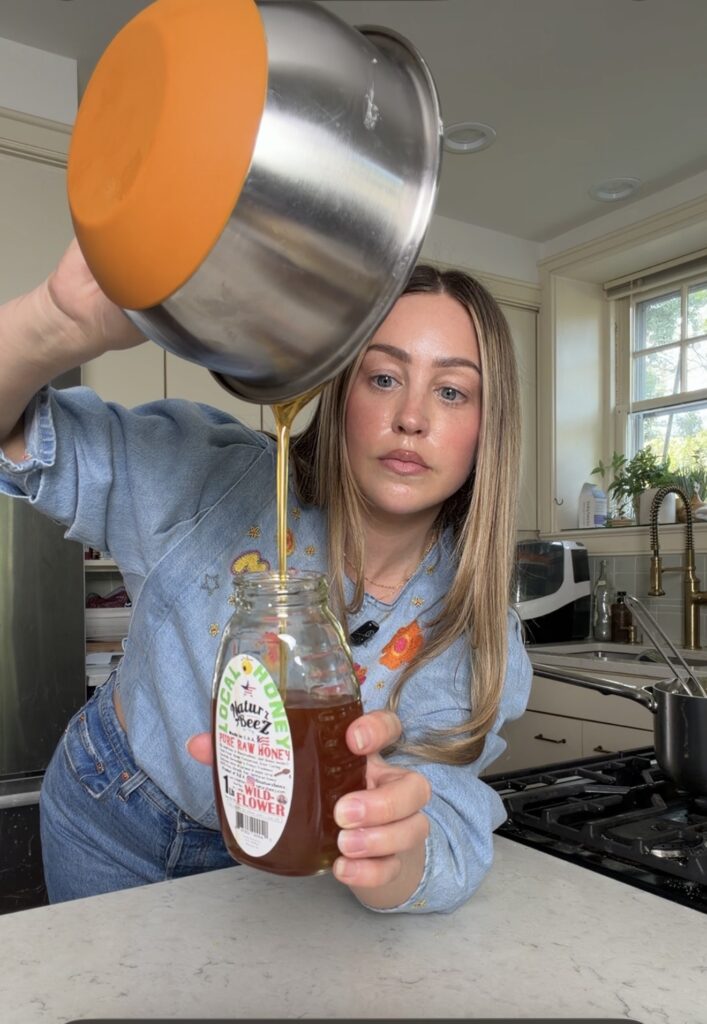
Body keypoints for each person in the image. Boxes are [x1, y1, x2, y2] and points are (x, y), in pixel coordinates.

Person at [0, 240, 531, 913]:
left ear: (488, 430)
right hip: (108, 813)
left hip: (285, 866)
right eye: (383, 378)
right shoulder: (220, 480)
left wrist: (390, 854)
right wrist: (56, 321)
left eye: (451, 391)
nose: (411, 418)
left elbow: (444, 827)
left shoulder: (470, 634)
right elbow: (22, 439)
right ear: (339, 393)